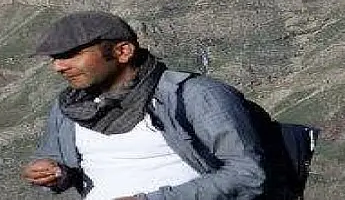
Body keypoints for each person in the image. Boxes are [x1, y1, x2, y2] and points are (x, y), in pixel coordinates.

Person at [21, 11, 267, 200]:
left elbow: (247, 174)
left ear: (123, 51)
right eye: (55, 58)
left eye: (71, 55)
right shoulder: (70, 106)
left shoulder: (194, 95)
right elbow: (56, 160)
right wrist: (50, 172)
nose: (58, 67)